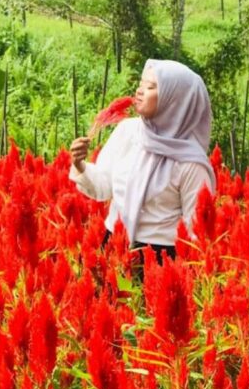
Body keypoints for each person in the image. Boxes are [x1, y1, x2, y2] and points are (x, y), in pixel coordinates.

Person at [69, 59, 215, 265]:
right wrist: (79, 164)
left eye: (151, 87)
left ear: (174, 100)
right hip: (114, 244)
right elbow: (103, 187)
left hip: (161, 259)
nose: (139, 91)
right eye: (140, 84)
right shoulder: (127, 131)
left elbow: (197, 232)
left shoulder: (191, 163)